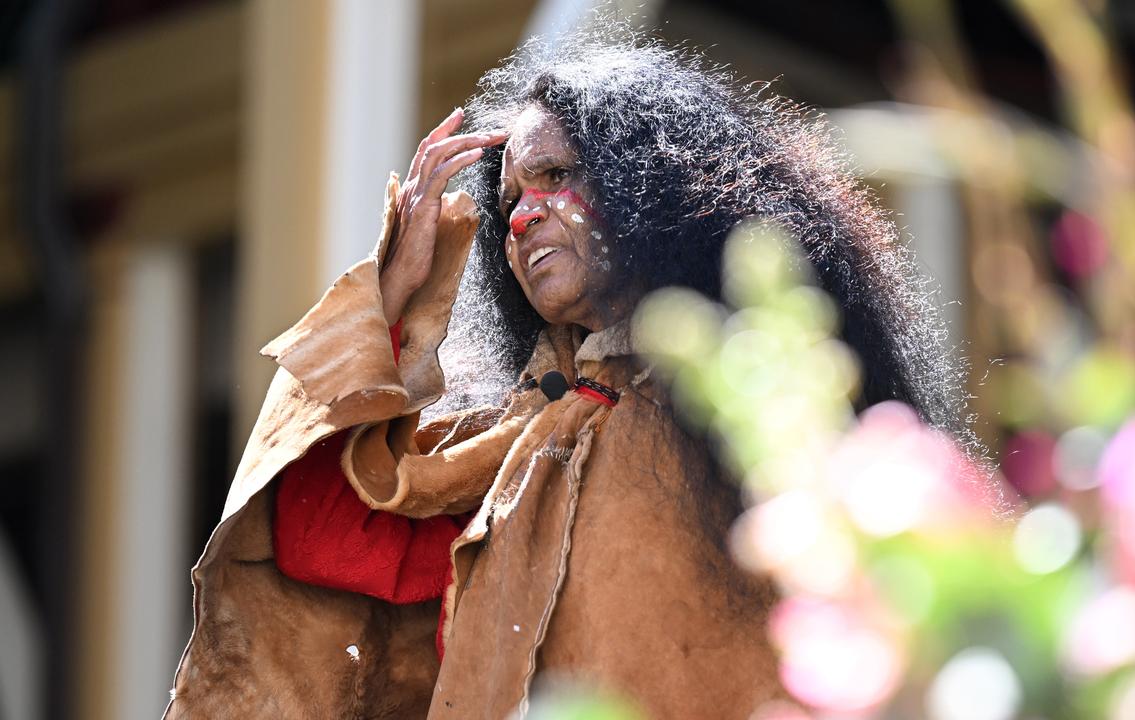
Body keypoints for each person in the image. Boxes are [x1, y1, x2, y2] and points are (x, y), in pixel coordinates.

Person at [166, 32, 968, 719]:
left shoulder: (774, 407)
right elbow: (312, 534)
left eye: (556, 175)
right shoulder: (521, 452)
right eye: (511, 195)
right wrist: (391, 298)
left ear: (646, 178)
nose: (519, 216)